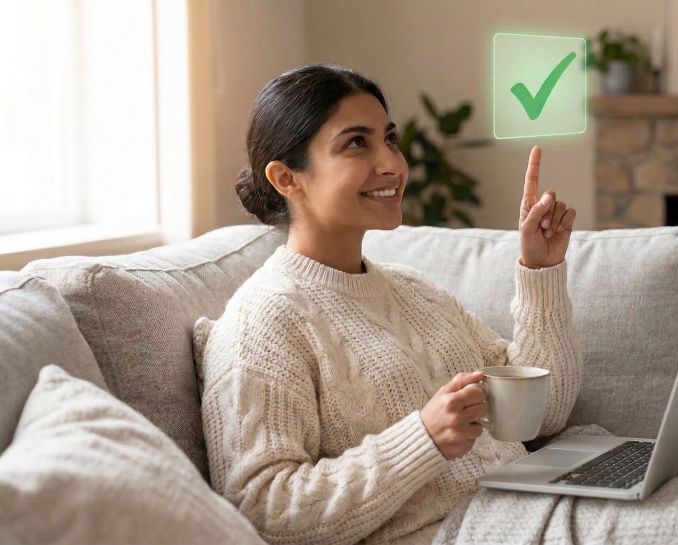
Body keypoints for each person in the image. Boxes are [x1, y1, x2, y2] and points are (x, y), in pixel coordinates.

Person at [198, 64, 582, 545]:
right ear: (285, 178)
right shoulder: (263, 320)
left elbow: (544, 415)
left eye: (391, 139)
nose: (394, 165)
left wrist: (540, 272)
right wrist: (423, 439)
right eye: (356, 143)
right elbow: (263, 509)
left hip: (530, 508)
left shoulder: (414, 290)